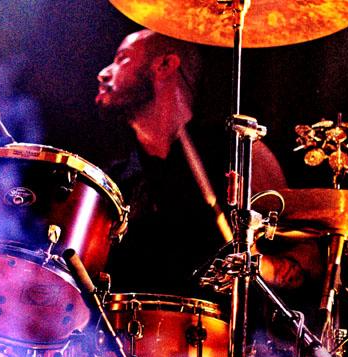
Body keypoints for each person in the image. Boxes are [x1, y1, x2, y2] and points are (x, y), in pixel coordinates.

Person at [95, 29, 319, 297]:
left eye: (123, 58)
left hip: (222, 322)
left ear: (165, 65)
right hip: (130, 323)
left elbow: (309, 258)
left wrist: (260, 267)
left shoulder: (237, 150)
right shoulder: (118, 182)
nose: (103, 73)